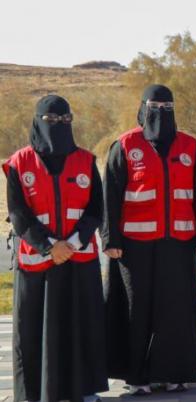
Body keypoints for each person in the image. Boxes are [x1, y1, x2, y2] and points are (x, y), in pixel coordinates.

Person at [102, 84, 196, 395]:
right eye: (155, 108)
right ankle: (136, 376)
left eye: (167, 108)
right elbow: (109, 195)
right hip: (133, 245)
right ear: (143, 109)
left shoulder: (189, 146)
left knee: (174, 309)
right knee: (137, 309)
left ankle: (174, 373)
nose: (161, 114)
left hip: (178, 242)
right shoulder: (124, 145)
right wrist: (110, 238)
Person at [4, 95, 107, 402]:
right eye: (50, 121)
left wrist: (72, 244)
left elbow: (95, 209)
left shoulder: (86, 160)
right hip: (38, 261)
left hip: (78, 258)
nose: (58, 126)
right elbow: (18, 214)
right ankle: (35, 393)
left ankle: (84, 389)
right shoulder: (18, 163)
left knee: (81, 325)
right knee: (33, 330)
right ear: (37, 121)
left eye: (64, 120)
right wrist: (50, 247)